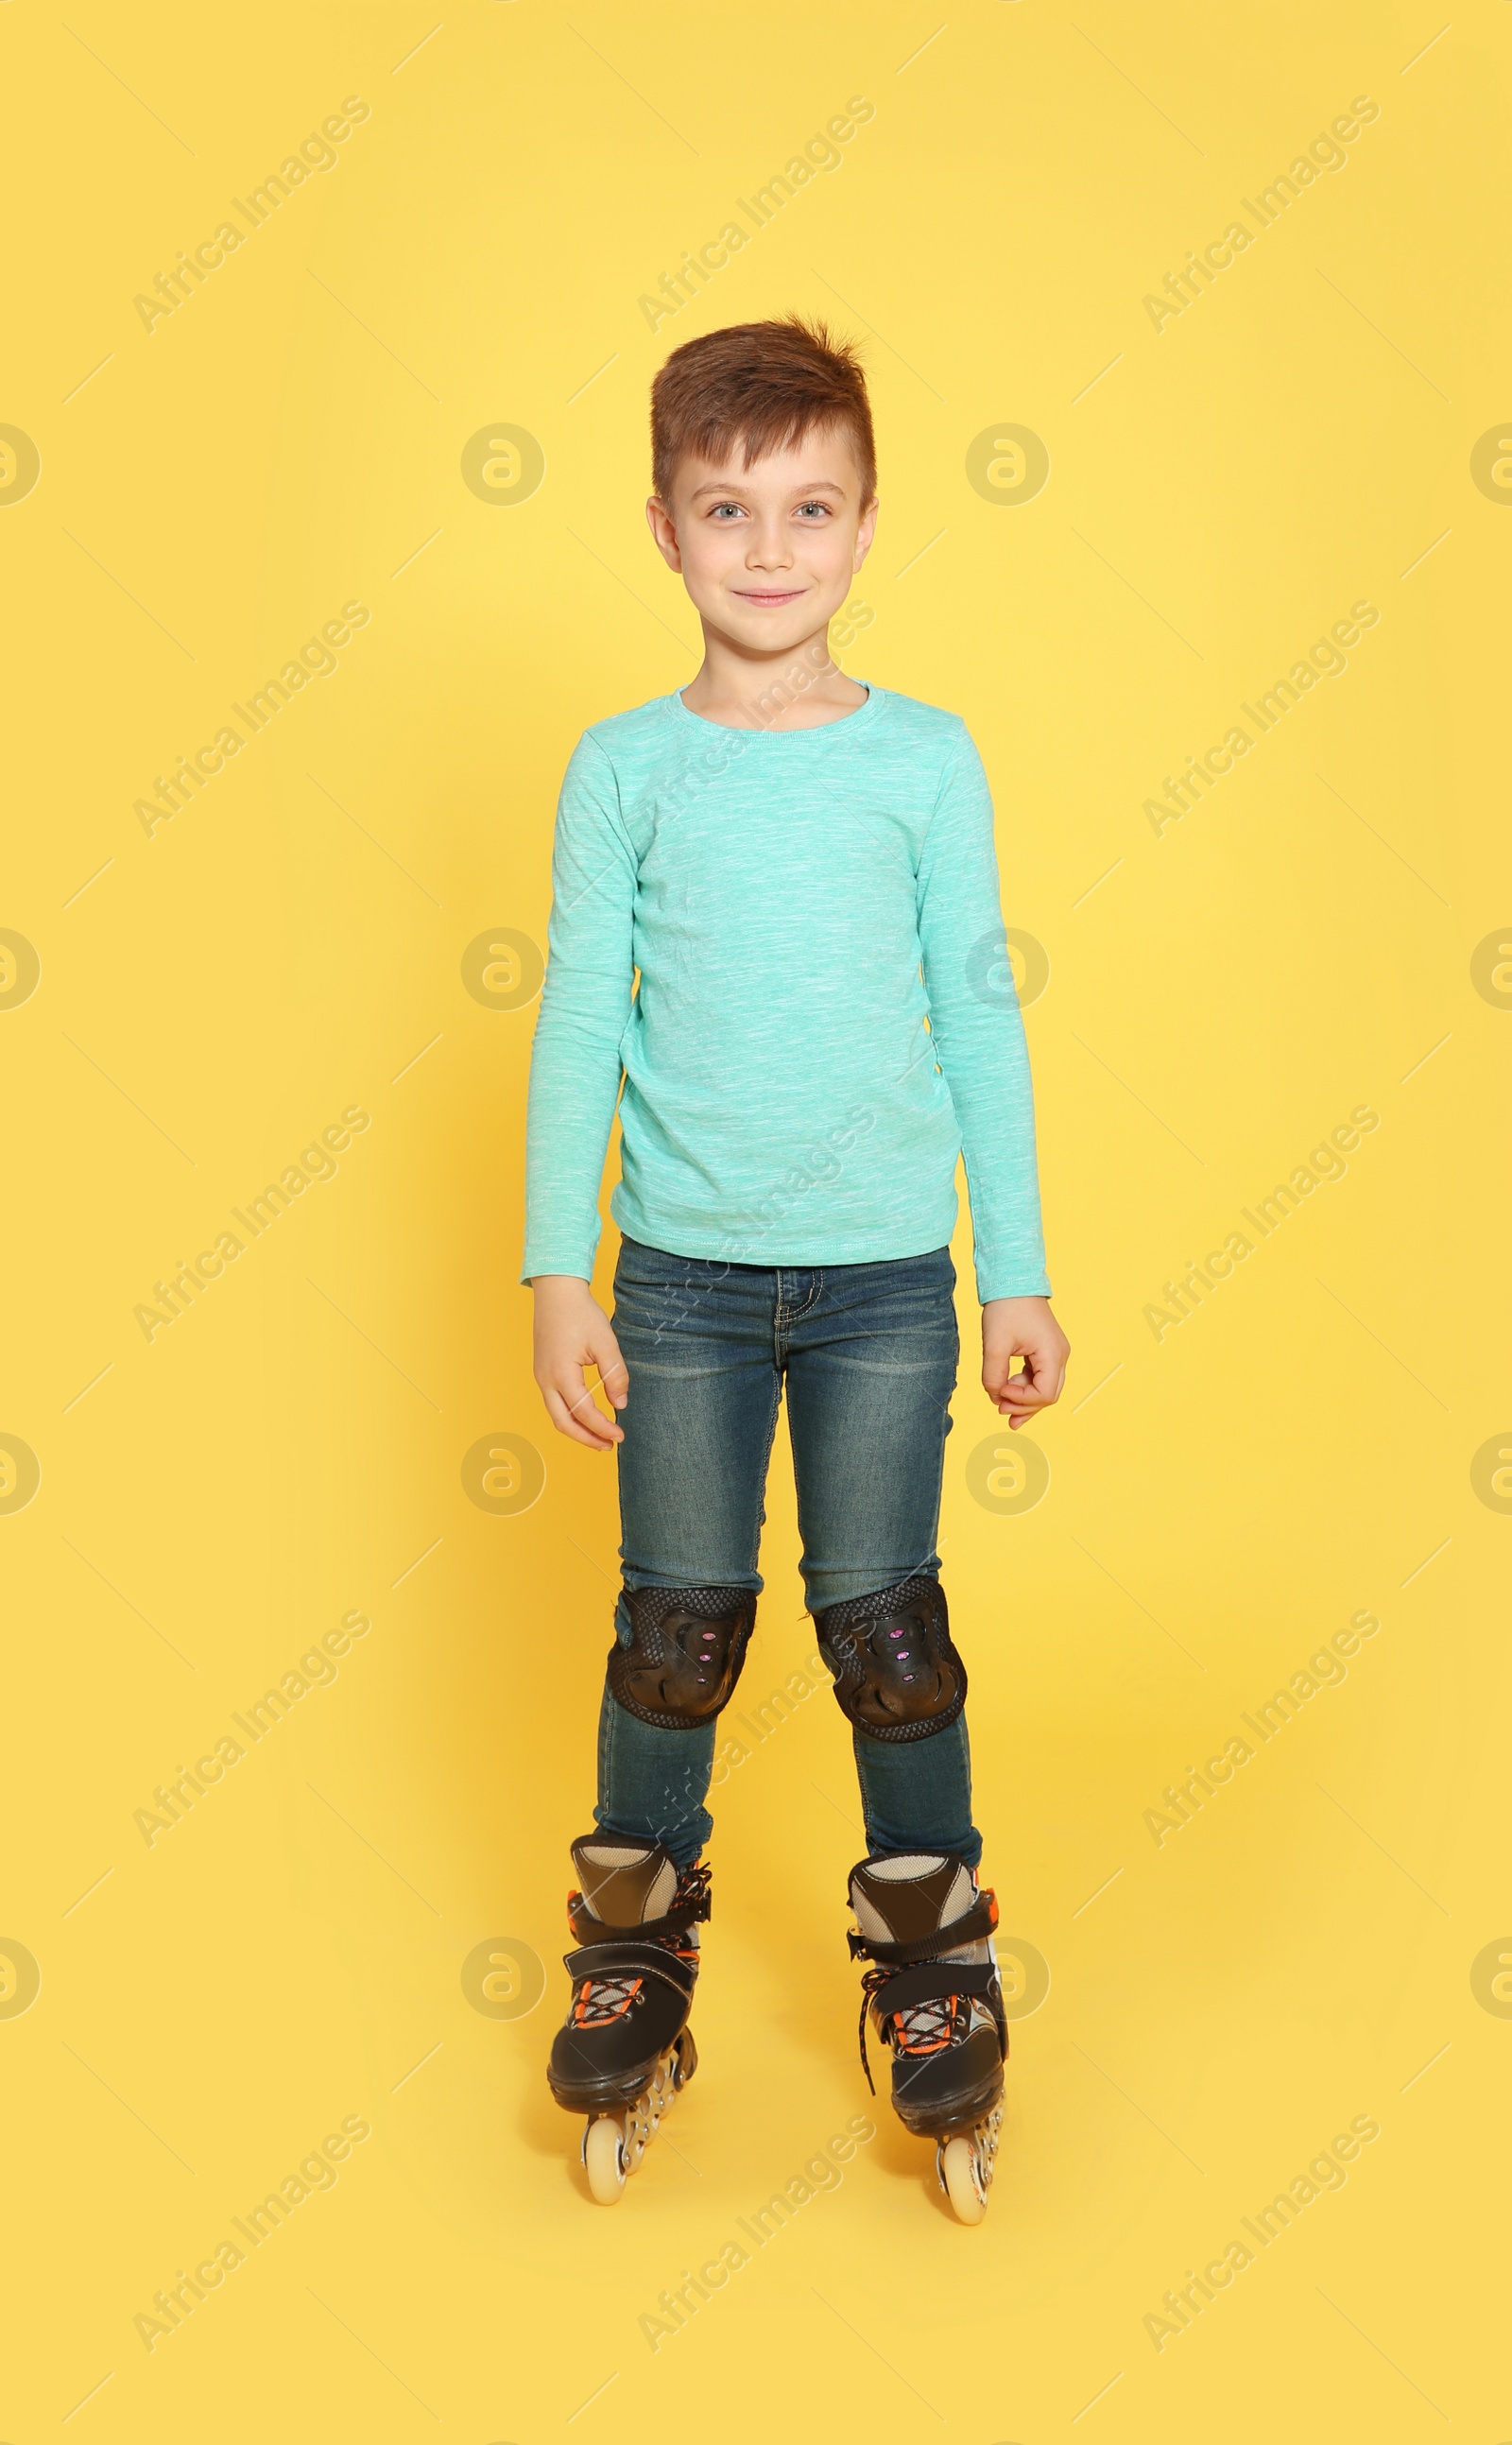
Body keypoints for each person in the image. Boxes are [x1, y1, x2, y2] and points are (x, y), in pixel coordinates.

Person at [522, 316, 1069, 2217]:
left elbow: (976, 1016)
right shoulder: (623, 767)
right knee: (671, 1634)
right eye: (726, 508)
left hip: (878, 1287)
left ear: (863, 521)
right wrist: (553, 1267)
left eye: (808, 508)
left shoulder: (923, 761)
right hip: (670, 1279)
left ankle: (929, 1965)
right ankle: (635, 1949)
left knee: (884, 1630)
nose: (769, 549)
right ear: (662, 528)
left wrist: (1014, 1265)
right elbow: (579, 1013)